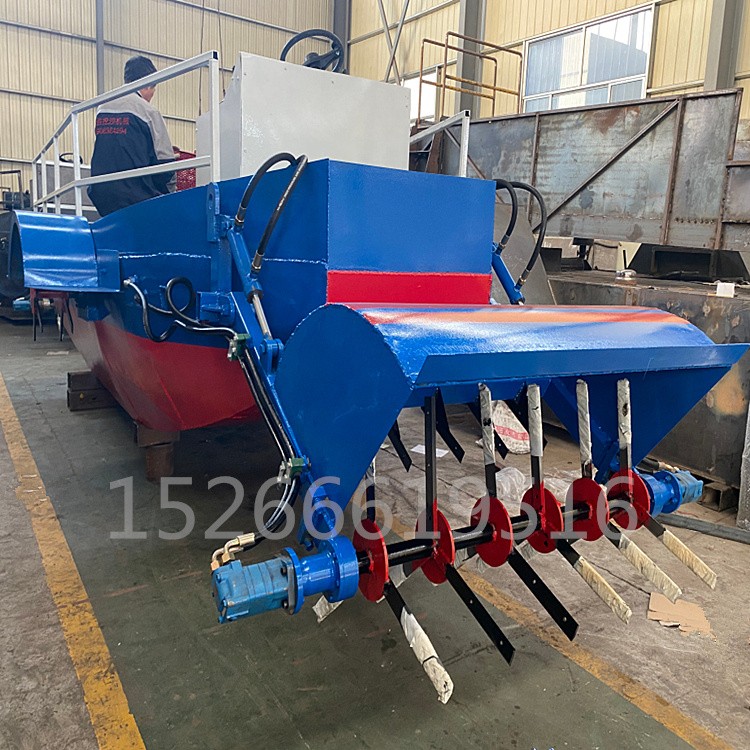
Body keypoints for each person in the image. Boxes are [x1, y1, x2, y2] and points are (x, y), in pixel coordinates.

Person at [88, 56, 176, 216]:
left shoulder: (103, 107)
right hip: (136, 197)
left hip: (101, 193)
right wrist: (171, 198)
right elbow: (165, 164)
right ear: (149, 84)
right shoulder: (148, 112)